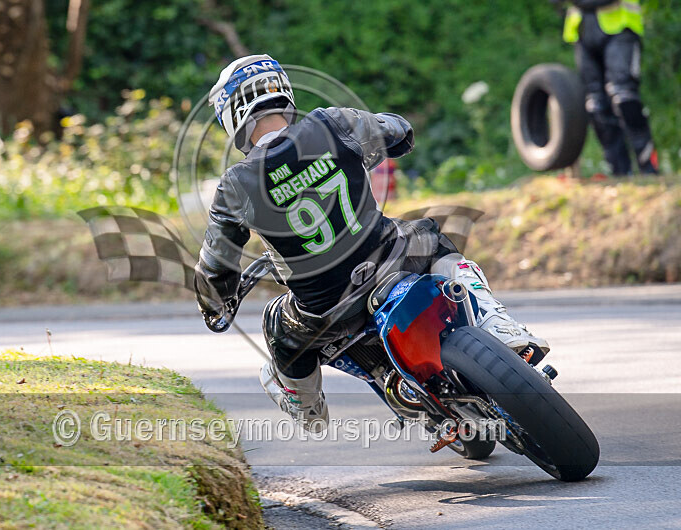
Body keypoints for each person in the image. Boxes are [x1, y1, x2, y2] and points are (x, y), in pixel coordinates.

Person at [194, 54, 549, 431]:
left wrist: (215, 305)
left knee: (278, 327)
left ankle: (308, 409)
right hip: (393, 260)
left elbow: (215, 267)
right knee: (435, 242)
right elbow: (397, 131)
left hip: (326, 311)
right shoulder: (330, 123)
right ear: (283, 91)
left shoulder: (235, 185)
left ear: (231, 115)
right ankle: (498, 324)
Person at [563, 0, 658, 175]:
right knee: (595, 105)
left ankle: (649, 167)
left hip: (620, 26)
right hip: (583, 31)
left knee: (624, 97)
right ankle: (619, 172)